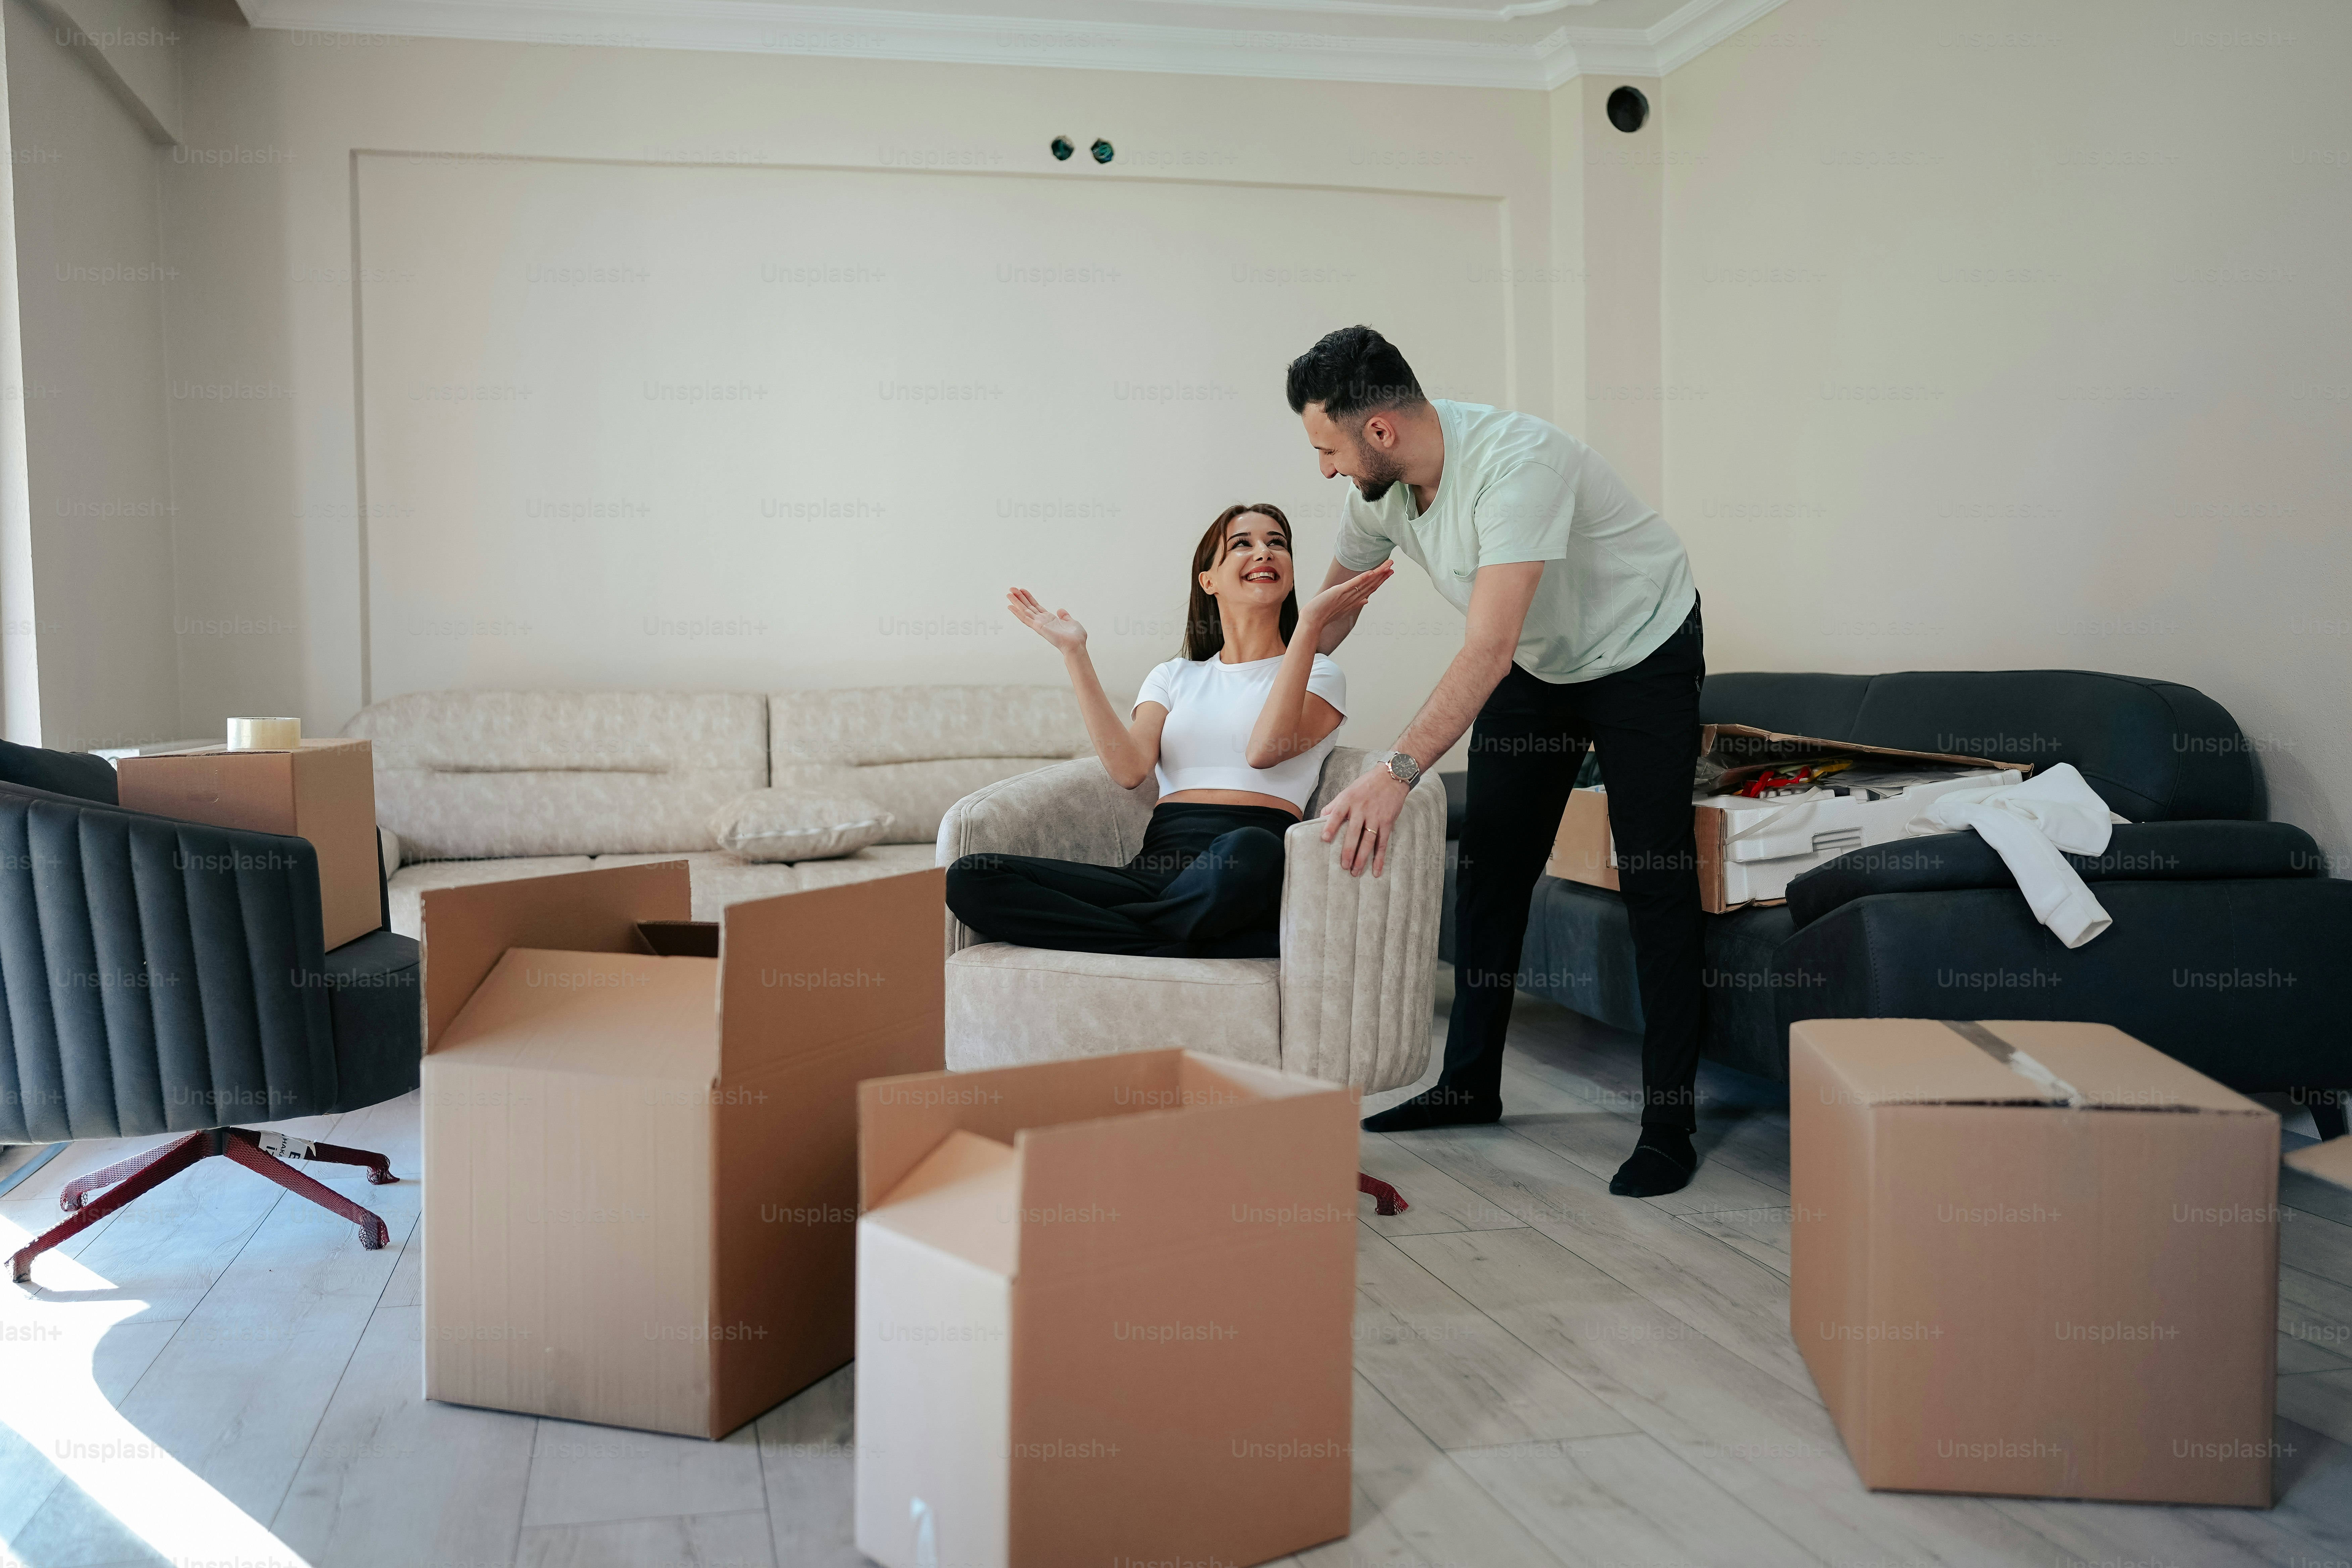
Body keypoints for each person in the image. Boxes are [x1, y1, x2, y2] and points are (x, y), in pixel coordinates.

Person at [1290, 325, 1707, 1198]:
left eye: (1327, 447)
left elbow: (1487, 650)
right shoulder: (1381, 490)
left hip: (1641, 651)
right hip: (1542, 662)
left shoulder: (1517, 466)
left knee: (1656, 870)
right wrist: (1263, 683)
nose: (1324, 469)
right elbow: (1332, 612)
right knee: (1492, 867)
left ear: (1378, 432)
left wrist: (1396, 772)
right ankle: (1469, 1085)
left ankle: (1670, 1125)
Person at [945, 503, 1392, 959]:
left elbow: (1264, 750)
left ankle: (1165, 930)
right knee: (971, 876)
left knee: (1253, 849)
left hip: (1240, 866)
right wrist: (1075, 652)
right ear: (1209, 581)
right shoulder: (1174, 675)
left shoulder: (1318, 673)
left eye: (1277, 543)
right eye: (1243, 544)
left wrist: (1311, 626)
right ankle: (1193, 937)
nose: (1264, 552)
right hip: (1157, 872)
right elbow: (1128, 769)